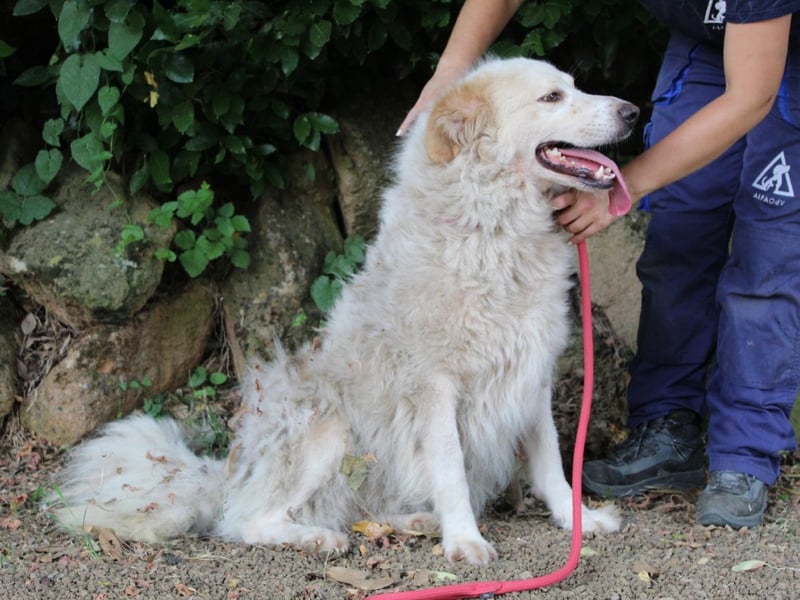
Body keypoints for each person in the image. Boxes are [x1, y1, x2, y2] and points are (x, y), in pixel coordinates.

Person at [399, 0, 800, 529]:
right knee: (679, 232)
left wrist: (621, 188)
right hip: (709, 42)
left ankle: (743, 458)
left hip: (781, 55)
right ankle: (666, 431)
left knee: (764, 263)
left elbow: (751, 96)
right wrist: (451, 79)